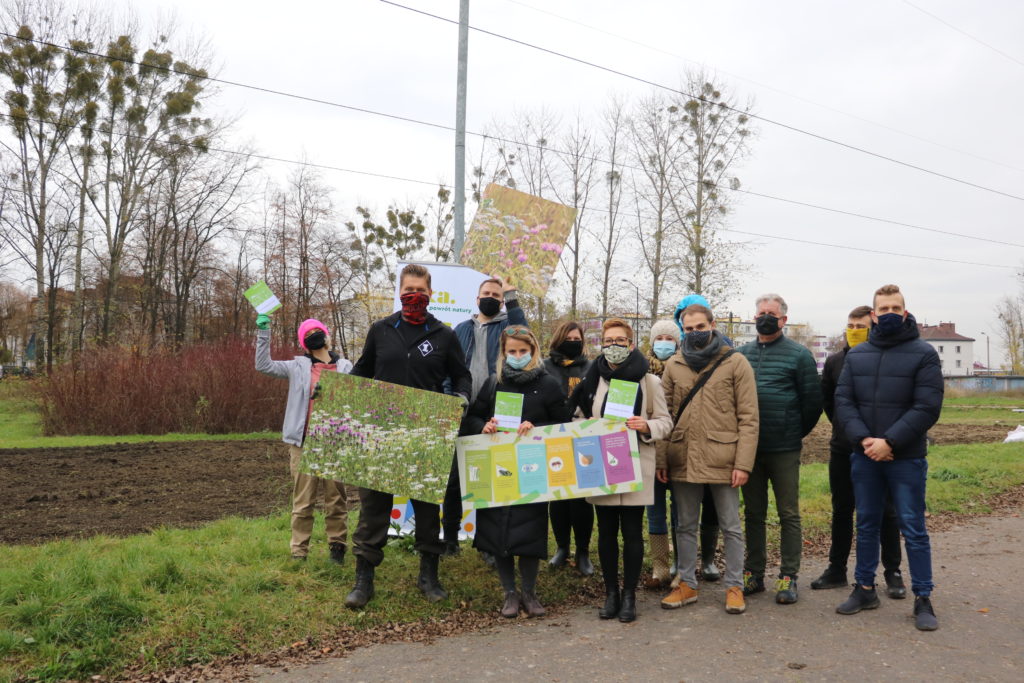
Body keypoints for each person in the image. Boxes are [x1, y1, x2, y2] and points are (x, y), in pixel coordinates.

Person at [345, 264, 472, 609]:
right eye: (408, 290)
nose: (414, 296)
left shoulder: (444, 335)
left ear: (431, 294)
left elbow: (462, 376)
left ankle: (429, 576)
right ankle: (363, 580)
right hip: (382, 431)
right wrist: (336, 392)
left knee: (428, 509)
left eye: (420, 290)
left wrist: (462, 397)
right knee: (374, 506)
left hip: (425, 432)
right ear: (399, 293)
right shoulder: (381, 329)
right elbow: (362, 370)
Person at [834, 284, 943, 631]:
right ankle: (864, 588)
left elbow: (927, 406)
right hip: (864, 454)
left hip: (906, 456)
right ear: (874, 315)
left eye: (896, 308)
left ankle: (923, 597)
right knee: (866, 523)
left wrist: (890, 441)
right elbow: (844, 402)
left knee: (913, 527)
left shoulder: (924, 354)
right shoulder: (858, 355)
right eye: (884, 309)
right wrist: (865, 439)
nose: (890, 313)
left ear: (905, 312)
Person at [462, 326, 571, 618]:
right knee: (498, 532)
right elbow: (473, 417)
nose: (518, 355)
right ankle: (509, 592)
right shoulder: (494, 383)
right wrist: (483, 426)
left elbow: (563, 423)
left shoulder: (548, 384)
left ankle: (529, 592)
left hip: (532, 468)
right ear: (504, 352)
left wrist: (537, 429)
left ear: (533, 351)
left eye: (523, 351)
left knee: (529, 531)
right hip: (498, 468)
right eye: (512, 351)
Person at [657, 304, 758, 615]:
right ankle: (687, 583)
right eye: (688, 329)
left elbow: (749, 418)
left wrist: (743, 464)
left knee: (731, 526)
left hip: (723, 458)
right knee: (685, 525)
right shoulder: (674, 364)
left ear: (712, 325)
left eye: (700, 327)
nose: (695, 333)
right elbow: (664, 415)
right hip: (683, 456)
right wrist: (662, 459)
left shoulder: (735, 362)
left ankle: (734, 586)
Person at [572, 318, 672, 623]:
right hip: (600, 466)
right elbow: (576, 417)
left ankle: (629, 596)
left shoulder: (649, 381)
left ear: (631, 344)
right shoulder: (591, 380)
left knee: (631, 533)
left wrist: (646, 425)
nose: (613, 345)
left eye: (620, 340)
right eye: (608, 340)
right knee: (605, 533)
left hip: (635, 465)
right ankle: (611, 594)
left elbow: (666, 423)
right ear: (601, 344)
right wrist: (588, 427)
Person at [811, 306, 905, 597]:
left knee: (886, 511)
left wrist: (882, 440)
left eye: (860, 326)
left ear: (873, 327)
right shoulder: (835, 362)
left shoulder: (888, 358)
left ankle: (893, 572)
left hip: (881, 448)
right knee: (842, 509)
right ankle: (836, 569)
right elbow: (829, 402)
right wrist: (847, 430)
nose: (854, 331)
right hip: (843, 447)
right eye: (850, 326)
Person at [737, 293, 823, 604]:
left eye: (771, 314)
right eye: (761, 313)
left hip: (784, 448)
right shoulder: (741, 355)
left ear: (783, 320)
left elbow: (812, 402)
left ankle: (788, 575)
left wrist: (792, 430)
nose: (765, 318)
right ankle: (754, 573)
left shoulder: (799, 355)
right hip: (750, 449)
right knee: (753, 513)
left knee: (788, 513)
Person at [254, 315, 353, 563]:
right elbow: (263, 365)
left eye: (316, 331)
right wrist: (263, 333)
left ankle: (337, 548)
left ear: (326, 336)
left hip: (334, 443)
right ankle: (299, 552)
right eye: (307, 334)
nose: (313, 336)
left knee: (336, 499)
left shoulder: (346, 367)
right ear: (304, 344)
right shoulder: (296, 367)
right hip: (304, 443)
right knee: (303, 501)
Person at [444, 276, 527, 555]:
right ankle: (450, 539)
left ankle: (486, 543)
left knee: (489, 481)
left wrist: (512, 295)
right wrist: (449, 398)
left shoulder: (506, 327)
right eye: (486, 293)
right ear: (477, 298)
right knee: (454, 480)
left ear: (501, 301)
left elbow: (523, 333)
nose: (490, 297)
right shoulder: (460, 329)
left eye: (496, 294)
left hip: (495, 414)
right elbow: (448, 368)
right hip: (461, 411)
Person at [543, 320, 594, 575]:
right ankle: (562, 547)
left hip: (583, 437)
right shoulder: (545, 367)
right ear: (558, 340)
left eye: (577, 339)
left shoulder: (591, 367)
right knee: (559, 497)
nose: (573, 343)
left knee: (582, 499)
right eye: (568, 338)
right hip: (553, 436)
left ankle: (583, 551)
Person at [642, 318, 680, 588]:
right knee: (654, 511)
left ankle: (682, 564)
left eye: (669, 339)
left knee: (682, 513)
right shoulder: (641, 371)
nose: (664, 343)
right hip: (650, 449)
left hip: (679, 451)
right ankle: (660, 566)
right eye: (659, 338)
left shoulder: (685, 368)